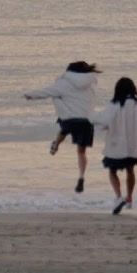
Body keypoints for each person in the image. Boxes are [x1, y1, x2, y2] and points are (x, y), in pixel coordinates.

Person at [24, 61, 99, 193]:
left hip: (68, 119)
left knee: (59, 103)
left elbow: (47, 91)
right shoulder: (91, 84)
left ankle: (56, 143)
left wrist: (30, 95)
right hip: (87, 121)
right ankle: (81, 176)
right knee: (81, 152)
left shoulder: (63, 82)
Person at [93, 77, 137, 214]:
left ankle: (118, 196)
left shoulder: (113, 104)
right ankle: (129, 197)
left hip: (115, 146)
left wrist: (91, 120)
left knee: (112, 171)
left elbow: (104, 122)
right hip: (132, 146)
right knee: (130, 170)